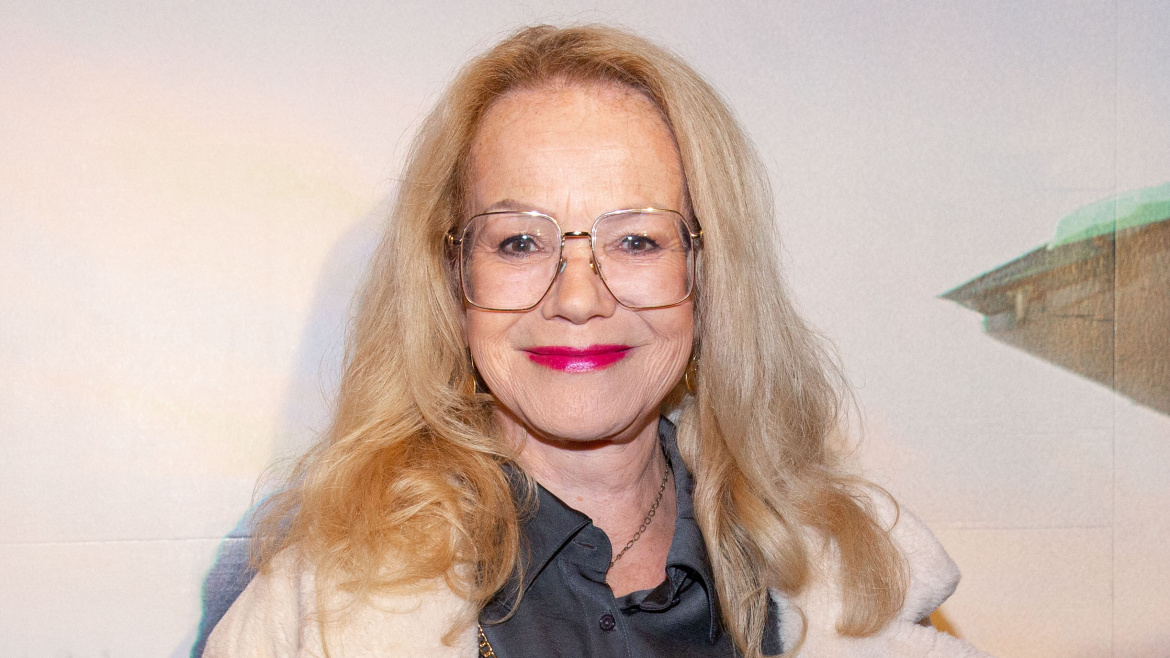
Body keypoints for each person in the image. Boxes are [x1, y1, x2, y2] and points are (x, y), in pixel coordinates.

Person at [204, 24, 991, 658]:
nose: (578, 298)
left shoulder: (856, 582)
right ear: (452, 277)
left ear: (708, 273)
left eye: (637, 240)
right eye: (519, 242)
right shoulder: (310, 613)